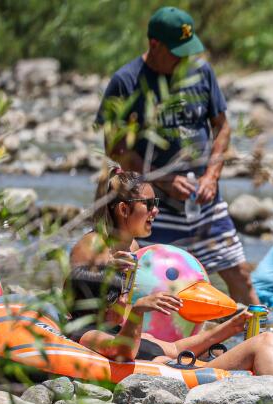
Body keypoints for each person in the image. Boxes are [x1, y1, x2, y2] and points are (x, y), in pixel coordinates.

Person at [68, 168, 273, 398]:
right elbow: (82, 291)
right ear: (123, 209)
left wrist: (231, 325)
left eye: (157, 203)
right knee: (266, 342)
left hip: (170, 354)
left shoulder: (132, 252)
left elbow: (173, 348)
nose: (156, 211)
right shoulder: (92, 252)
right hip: (176, 372)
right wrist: (136, 310)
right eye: (150, 204)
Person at [95, 6, 256, 305]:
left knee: (240, 275)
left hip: (205, 200)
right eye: (177, 53)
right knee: (152, 283)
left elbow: (222, 127)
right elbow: (114, 147)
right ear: (154, 45)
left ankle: (261, 338)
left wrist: (212, 176)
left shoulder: (201, 72)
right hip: (154, 209)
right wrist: (165, 180)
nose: (184, 60)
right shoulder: (126, 82)